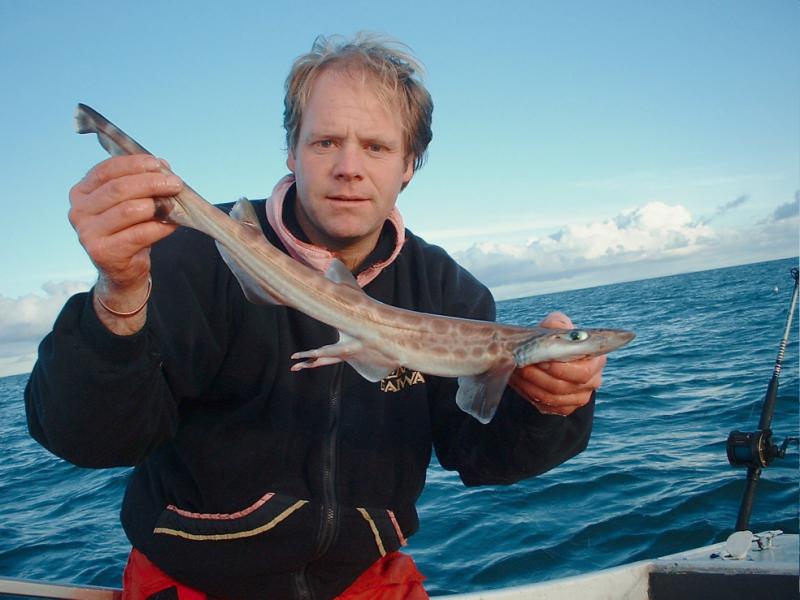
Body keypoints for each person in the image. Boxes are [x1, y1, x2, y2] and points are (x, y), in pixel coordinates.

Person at [25, 33, 605, 600]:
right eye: (326, 141)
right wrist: (119, 295)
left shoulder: (448, 291)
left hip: (361, 579)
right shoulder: (185, 258)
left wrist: (547, 406)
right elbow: (89, 441)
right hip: (193, 580)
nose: (349, 167)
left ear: (409, 165)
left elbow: (481, 454)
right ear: (292, 152)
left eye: (376, 147)